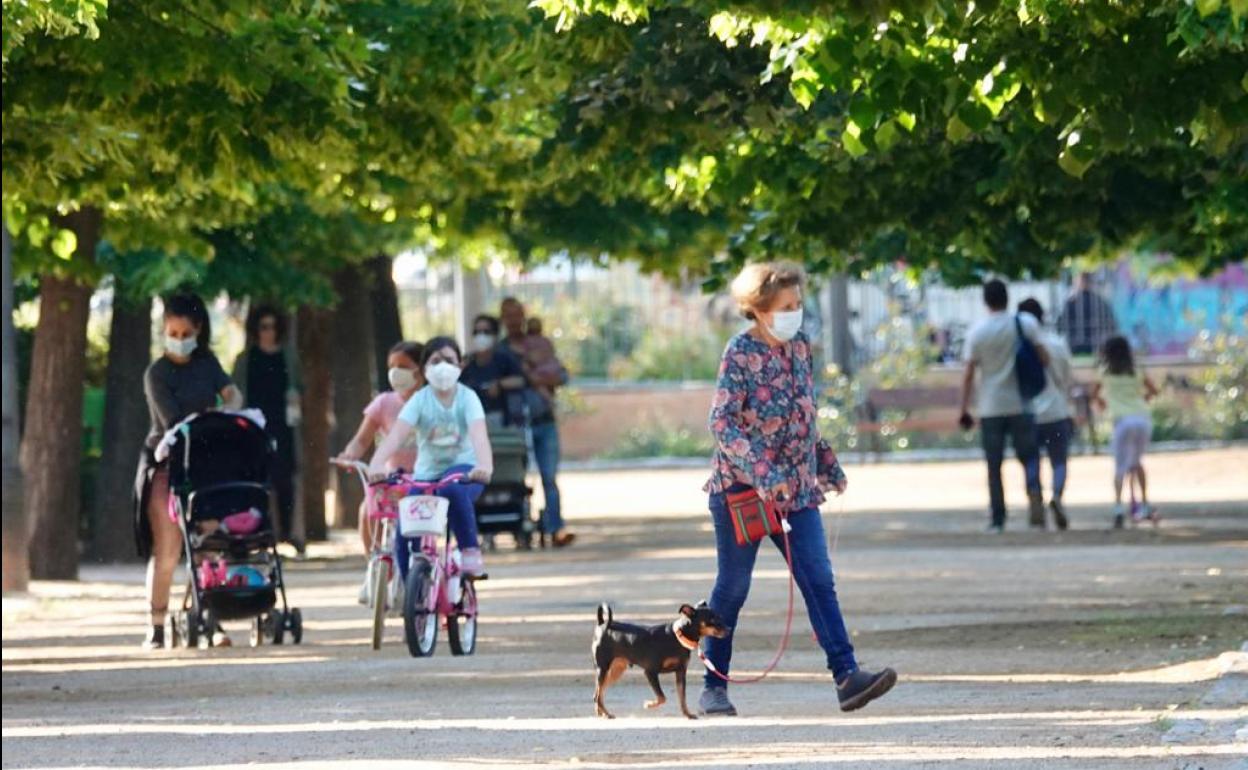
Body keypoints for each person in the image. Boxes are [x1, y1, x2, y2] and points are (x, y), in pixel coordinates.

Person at [700, 261, 896, 717]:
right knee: (732, 588)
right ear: (760, 309)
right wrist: (765, 473)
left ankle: (847, 677)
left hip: (799, 492)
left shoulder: (800, 348)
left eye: (799, 304)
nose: (795, 313)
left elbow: (802, 417)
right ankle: (714, 685)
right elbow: (722, 424)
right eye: (786, 306)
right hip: (743, 493)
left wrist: (826, 464)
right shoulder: (740, 352)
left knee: (818, 579)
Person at [135, 294, 242, 649]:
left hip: (205, 464)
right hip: (168, 464)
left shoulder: (207, 363)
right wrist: (206, 418)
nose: (179, 338)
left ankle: (210, 618)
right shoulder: (157, 374)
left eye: (185, 331)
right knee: (167, 549)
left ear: (197, 330)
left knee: (208, 547)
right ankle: (157, 623)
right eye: (172, 331)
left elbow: (230, 393)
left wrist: (230, 405)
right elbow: (172, 422)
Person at [368, 337, 490, 578]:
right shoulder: (419, 400)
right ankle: (410, 592)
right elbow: (396, 436)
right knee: (405, 532)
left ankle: (470, 552)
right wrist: (376, 463)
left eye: (449, 360)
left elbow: (479, 435)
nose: (443, 367)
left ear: (460, 365)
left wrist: (484, 465)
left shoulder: (468, 398)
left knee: (452, 489)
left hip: (465, 473)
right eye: (435, 361)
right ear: (424, 369)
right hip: (426, 478)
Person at [958, 279, 1050, 532]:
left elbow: (968, 374)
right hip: (1022, 403)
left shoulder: (977, 332)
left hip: (990, 406)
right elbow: (1045, 358)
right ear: (1007, 298)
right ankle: (1034, 494)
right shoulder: (1025, 324)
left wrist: (964, 408)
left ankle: (998, 517)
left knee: (994, 464)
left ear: (985, 301)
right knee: (1030, 456)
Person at [335, 340, 425, 598]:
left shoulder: (430, 403)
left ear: (420, 370)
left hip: (421, 479)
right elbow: (362, 439)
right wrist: (349, 455)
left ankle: (417, 575)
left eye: (404, 366)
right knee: (367, 512)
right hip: (389, 478)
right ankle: (375, 569)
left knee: (415, 526)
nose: (396, 372)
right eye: (392, 366)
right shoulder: (384, 403)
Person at [500, 297, 576, 547]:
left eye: (517, 314)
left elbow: (561, 375)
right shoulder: (501, 352)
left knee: (549, 477)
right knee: (515, 478)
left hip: (544, 420)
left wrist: (536, 377)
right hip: (516, 423)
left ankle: (556, 527)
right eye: (508, 315)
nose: (513, 320)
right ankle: (520, 529)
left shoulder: (540, 345)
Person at [233, 305, 302, 552]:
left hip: (283, 425)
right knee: (257, 478)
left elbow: (298, 387)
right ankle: (261, 530)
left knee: (285, 479)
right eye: (264, 327)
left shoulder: (288, 356)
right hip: (254, 426)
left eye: (272, 327)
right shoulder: (245, 359)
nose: (268, 332)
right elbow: (236, 393)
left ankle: (286, 532)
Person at [1091, 336, 1159, 528]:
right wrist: (1141, 401)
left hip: (1121, 420)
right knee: (1137, 463)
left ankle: (1119, 507)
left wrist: (1103, 403)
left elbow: (1094, 395)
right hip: (1142, 418)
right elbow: (1154, 391)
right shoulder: (1137, 370)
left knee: (1120, 466)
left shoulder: (1104, 372)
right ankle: (1144, 504)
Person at [1018, 299, 1074, 530]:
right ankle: (1057, 496)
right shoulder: (1058, 344)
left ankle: (1035, 497)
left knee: (1031, 459)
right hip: (1057, 411)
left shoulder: (1019, 347)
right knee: (1059, 461)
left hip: (1029, 413)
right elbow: (1067, 379)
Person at [460, 314, 526, 427]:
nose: (481, 336)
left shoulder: (504, 359)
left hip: (499, 418)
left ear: (495, 335)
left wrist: (499, 384)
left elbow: (520, 380)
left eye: (486, 332)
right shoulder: (467, 361)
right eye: (477, 332)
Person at [1057, 272, 1118, 355]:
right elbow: (1111, 324)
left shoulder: (1070, 302)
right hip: (1097, 344)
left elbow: (1061, 324)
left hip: (1074, 344)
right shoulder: (1100, 302)